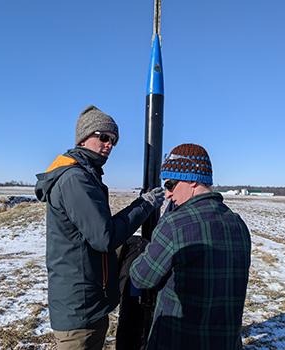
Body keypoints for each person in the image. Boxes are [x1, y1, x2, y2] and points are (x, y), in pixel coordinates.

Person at [35, 105, 164, 350]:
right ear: (84, 137)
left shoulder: (87, 175)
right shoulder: (76, 179)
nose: (109, 145)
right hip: (78, 309)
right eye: (103, 137)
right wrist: (144, 205)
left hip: (89, 301)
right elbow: (104, 237)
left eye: (113, 141)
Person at [130, 143, 251, 350]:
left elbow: (141, 277)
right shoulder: (238, 223)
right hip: (225, 341)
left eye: (170, 184)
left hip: (178, 339)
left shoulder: (175, 225)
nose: (167, 194)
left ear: (192, 180)